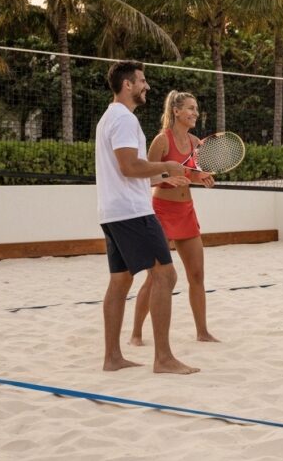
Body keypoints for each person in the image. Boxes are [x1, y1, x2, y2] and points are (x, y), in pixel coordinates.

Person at [95, 60, 199, 375]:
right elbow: (129, 166)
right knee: (166, 276)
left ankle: (112, 357)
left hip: (113, 211)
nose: (147, 86)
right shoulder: (124, 119)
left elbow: (128, 172)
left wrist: (166, 177)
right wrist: (168, 166)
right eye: (142, 81)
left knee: (120, 280)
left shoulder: (108, 118)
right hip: (132, 212)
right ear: (128, 85)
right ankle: (164, 358)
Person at [130, 91, 218, 345]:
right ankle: (136, 333)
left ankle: (202, 331)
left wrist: (201, 178)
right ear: (176, 111)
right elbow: (145, 176)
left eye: (197, 109)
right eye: (190, 108)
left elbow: (191, 175)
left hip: (186, 211)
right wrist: (168, 178)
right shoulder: (162, 140)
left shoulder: (195, 142)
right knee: (156, 277)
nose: (195, 113)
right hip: (162, 212)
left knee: (197, 275)